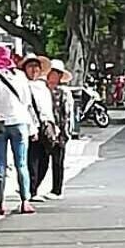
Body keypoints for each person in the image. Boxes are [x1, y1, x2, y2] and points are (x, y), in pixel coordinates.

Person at [0, 45, 35, 214]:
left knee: (0, 165)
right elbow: (26, 101)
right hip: (20, 122)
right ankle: (25, 202)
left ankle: (0, 203)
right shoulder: (20, 76)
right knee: (22, 163)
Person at [23, 54, 56, 203]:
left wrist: (53, 125)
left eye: (36, 67)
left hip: (46, 126)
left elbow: (48, 108)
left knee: (45, 159)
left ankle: (35, 187)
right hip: (32, 127)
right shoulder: (23, 85)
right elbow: (26, 108)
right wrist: (32, 128)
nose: (34, 70)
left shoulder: (43, 87)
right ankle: (31, 189)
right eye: (30, 67)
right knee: (33, 159)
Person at [43, 59, 75, 200]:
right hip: (45, 129)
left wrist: (66, 132)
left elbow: (67, 113)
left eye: (56, 74)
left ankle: (57, 189)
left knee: (57, 161)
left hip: (60, 130)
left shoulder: (63, 92)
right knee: (42, 160)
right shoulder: (41, 89)